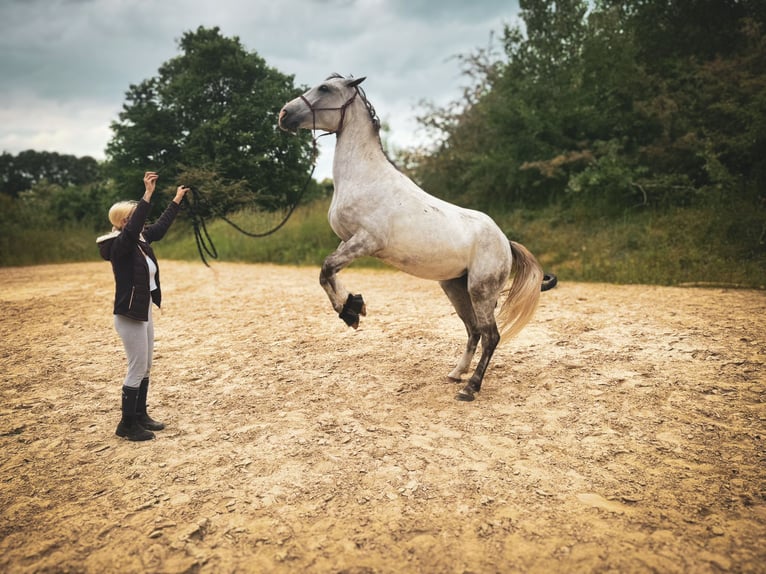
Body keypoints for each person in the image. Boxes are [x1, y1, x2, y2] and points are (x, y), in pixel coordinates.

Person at [97, 172, 189, 441]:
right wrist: (147, 194)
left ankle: (140, 416)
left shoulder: (140, 239)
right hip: (129, 314)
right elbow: (138, 224)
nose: (143, 220)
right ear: (125, 222)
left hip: (143, 310)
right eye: (136, 216)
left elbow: (159, 227)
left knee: (146, 365)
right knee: (137, 366)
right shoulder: (120, 245)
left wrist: (176, 200)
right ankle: (126, 425)